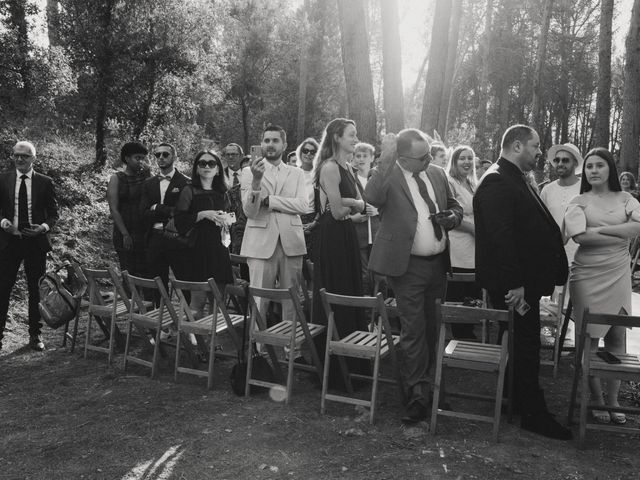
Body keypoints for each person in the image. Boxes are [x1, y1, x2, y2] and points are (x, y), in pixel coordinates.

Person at [474, 124, 571, 440]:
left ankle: (515, 400)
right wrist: (515, 284)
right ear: (517, 146)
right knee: (525, 345)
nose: (540, 152)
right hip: (515, 286)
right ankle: (532, 413)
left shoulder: (516, 177)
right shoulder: (496, 181)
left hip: (527, 282)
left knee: (522, 343)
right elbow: (501, 238)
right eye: (536, 146)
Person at [366, 129, 462, 423]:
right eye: (422, 157)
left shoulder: (435, 173)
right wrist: (386, 157)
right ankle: (417, 397)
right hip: (407, 268)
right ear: (403, 159)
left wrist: (453, 217)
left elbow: (455, 205)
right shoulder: (389, 175)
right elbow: (371, 196)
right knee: (413, 331)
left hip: (438, 265)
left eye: (430, 153)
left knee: (434, 329)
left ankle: (434, 388)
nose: (430, 159)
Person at [564, 148, 640, 425]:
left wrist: (599, 230)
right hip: (587, 274)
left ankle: (613, 399)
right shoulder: (578, 200)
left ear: (610, 169)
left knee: (617, 337)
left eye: (599, 165)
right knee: (590, 340)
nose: (593, 170)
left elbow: (638, 228)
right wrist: (618, 229)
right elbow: (581, 239)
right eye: (589, 167)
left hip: (618, 272)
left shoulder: (626, 198)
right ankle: (595, 398)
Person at [312, 119, 371, 386]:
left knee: (351, 291)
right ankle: (336, 369)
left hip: (346, 234)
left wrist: (353, 204)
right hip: (333, 237)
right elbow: (336, 211)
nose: (355, 139)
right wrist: (356, 202)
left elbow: (348, 207)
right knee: (337, 294)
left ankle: (355, 362)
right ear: (336, 137)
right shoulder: (329, 167)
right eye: (351, 135)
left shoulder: (347, 166)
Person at [240, 125, 308, 357]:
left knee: (291, 298)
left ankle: (292, 348)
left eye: (275, 140)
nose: (270, 144)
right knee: (260, 300)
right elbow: (249, 211)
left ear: (284, 145)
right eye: (266, 140)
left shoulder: (298, 173)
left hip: (292, 242)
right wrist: (258, 182)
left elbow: (304, 205)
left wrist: (271, 201)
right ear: (262, 143)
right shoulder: (249, 172)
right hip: (260, 243)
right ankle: (258, 351)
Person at [0, 141, 59, 351]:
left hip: (35, 243)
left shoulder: (45, 182)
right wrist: (3, 222)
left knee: (35, 290)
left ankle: (35, 335)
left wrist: (42, 227)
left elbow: (54, 213)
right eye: (16, 155)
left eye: (24, 156)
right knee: (2, 288)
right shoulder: (3, 178)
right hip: (9, 242)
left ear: (33, 158)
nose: (19, 159)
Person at [174, 151, 234, 318]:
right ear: (197, 168)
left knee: (219, 302)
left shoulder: (223, 192)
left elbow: (231, 218)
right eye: (202, 163)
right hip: (197, 249)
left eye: (211, 163)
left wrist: (226, 219)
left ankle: (215, 342)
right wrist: (202, 214)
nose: (207, 166)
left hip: (219, 249)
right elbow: (179, 221)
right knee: (197, 302)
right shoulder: (189, 190)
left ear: (218, 169)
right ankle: (196, 340)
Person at [140, 143, 190, 291]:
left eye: (165, 154)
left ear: (174, 157)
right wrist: (167, 212)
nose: (161, 157)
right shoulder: (148, 183)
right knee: (156, 283)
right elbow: (142, 213)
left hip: (177, 238)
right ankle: (158, 312)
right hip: (155, 237)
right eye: (157, 155)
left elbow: (183, 212)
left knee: (184, 280)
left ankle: (186, 313)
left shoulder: (186, 182)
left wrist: (157, 207)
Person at [445, 145, 481, 339]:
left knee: (472, 288)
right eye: (462, 158)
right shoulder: (449, 182)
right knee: (458, 289)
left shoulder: (472, 183)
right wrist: (474, 229)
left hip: (474, 245)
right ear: (454, 161)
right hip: (458, 242)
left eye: (469, 158)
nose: (466, 162)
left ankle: (469, 328)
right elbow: (450, 214)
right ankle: (459, 332)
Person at [107, 142, 151, 276]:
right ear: (127, 158)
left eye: (143, 158)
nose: (141, 162)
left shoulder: (146, 177)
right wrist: (125, 234)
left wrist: (149, 174)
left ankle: (144, 298)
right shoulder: (117, 178)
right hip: (124, 230)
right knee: (128, 271)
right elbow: (114, 209)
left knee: (145, 272)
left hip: (143, 231)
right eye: (137, 158)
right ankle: (129, 297)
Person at [540, 143, 583, 265]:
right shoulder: (547, 190)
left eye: (565, 160)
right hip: (553, 256)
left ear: (575, 163)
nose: (560, 164)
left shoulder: (586, 188)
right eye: (557, 160)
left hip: (581, 258)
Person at [350, 142, 381, 295]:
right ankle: (367, 314)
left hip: (378, 232)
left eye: (365, 156)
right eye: (358, 156)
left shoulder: (379, 177)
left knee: (380, 274)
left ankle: (382, 312)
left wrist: (377, 210)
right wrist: (353, 217)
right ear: (353, 158)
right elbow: (343, 205)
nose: (361, 159)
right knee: (363, 274)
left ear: (372, 158)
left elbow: (391, 203)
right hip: (359, 233)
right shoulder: (350, 178)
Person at [222, 143, 248, 258]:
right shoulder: (219, 176)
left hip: (247, 226)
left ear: (241, 156)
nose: (231, 157)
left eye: (234, 154)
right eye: (228, 155)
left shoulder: (249, 175)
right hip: (226, 225)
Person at [296, 137, 320, 259]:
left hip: (314, 221)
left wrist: (315, 222)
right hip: (294, 220)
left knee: (312, 261)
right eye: (305, 150)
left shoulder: (319, 174)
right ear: (300, 153)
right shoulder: (293, 173)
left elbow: (324, 203)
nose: (308, 154)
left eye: (312, 151)